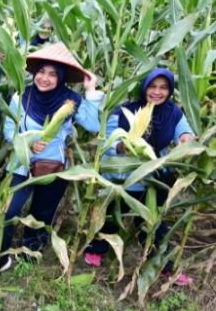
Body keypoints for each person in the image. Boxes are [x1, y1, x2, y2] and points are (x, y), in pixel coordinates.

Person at [0, 42, 102, 276]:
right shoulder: (22, 96)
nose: (45, 78)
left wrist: (91, 91)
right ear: (34, 72)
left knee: (43, 213)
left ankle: (31, 251)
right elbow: (9, 129)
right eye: (41, 72)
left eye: (52, 74)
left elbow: (92, 124)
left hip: (53, 167)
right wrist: (26, 142)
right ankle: (1, 255)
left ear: (60, 77)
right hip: (20, 164)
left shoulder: (70, 101)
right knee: (9, 211)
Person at [83, 67, 196, 285]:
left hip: (153, 178)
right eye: (152, 86)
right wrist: (121, 148)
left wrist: (186, 138)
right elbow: (106, 140)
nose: (157, 92)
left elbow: (184, 131)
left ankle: (164, 267)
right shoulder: (126, 110)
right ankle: (97, 248)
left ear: (170, 90)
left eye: (163, 88)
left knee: (154, 224)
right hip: (122, 176)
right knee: (111, 216)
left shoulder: (173, 113)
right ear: (144, 87)